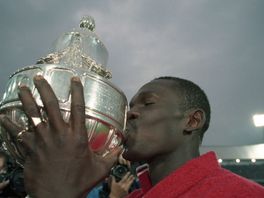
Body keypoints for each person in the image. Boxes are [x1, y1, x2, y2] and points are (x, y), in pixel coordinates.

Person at [0, 75, 264, 197]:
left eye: (147, 104)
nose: (131, 114)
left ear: (192, 121)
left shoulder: (242, 194)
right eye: (129, 107)